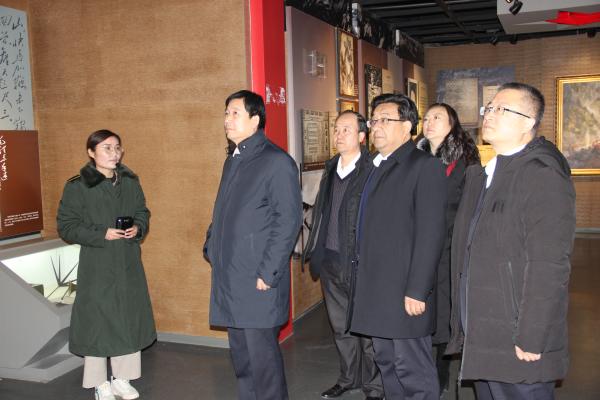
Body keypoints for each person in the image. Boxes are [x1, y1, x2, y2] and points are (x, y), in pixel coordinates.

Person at [447, 82, 576, 400]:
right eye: (489, 108)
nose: (489, 114)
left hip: (517, 338)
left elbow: (549, 265)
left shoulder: (542, 175)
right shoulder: (485, 175)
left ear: (528, 122)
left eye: (502, 109)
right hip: (484, 332)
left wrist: (532, 335)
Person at [203, 90, 302, 400]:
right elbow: (222, 212)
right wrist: (211, 245)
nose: (227, 119)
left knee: (263, 363)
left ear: (255, 120)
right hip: (232, 275)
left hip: (258, 278)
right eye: (226, 113)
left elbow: (288, 221)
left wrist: (268, 272)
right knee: (243, 360)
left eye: (235, 113)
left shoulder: (276, 161)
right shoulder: (233, 160)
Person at [349, 93, 448, 400]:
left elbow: (431, 233)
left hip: (405, 291)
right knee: (387, 363)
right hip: (376, 287)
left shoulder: (424, 166)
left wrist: (418, 290)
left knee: (412, 369)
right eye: (373, 120)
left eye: (385, 120)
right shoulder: (375, 165)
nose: (376, 126)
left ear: (407, 126)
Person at [57, 129, 156, 400]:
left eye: (117, 148)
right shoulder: (78, 186)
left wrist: (138, 227)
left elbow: (142, 211)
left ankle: (122, 379)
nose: (114, 153)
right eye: (106, 148)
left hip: (127, 261)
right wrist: (102, 233)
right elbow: (67, 226)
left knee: (128, 319)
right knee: (97, 323)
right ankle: (99, 383)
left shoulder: (130, 181)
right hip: (97, 264)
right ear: (91, 153)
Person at [302, 110, 384, 400]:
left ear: (362, 136)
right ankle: (349, 379)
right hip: (330, 260)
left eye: (346, 129)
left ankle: (374, 386)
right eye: (336, 129)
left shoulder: (372, 170)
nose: (339, 134)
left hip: (359, 262)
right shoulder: (330, 168)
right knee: (341, 327)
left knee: (367, 329)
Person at [417, 103, 480, 394]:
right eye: (426, 118)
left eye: (437, 117)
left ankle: (441, 368)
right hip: (419, 242)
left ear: (452, 124)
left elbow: (471, 207)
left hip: (450, 245)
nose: (429, 122)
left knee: (444, 307)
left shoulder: (465, 161)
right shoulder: (414, 158)